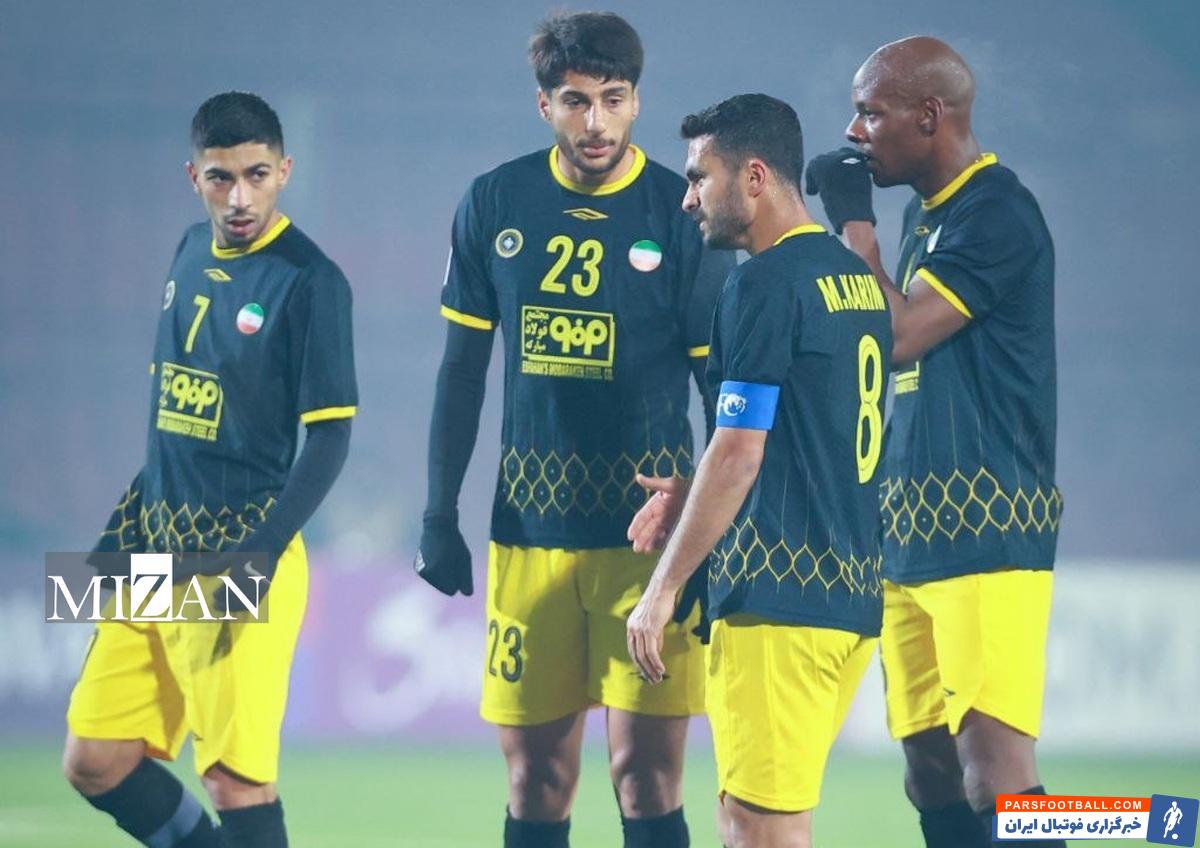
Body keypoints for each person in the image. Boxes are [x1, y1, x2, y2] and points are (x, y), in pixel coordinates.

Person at [413, 12, 731, 848]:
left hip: (648, 539)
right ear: (544, 105)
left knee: (647, 778)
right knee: (537, 780)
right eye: (575, 101)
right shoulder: (495, 201)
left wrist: (710, 527)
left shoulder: (682, 211)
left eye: (613, 99)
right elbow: (461, 372)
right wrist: (439, 513)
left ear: (637, 102)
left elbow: (719, 386)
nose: (595, 122)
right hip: (530, 533)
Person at [61, 91, 357, 848]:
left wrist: (260, 553)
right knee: (94, 760)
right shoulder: (189, 250)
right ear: (193, 176)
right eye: (221, 178)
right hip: (150, 542)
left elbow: (329, 440)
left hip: (237, 548)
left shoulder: (312, 281)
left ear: (285, 171)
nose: (239, 198)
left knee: (234, 779)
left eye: (257, 175)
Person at [805, 35, 1062, 848]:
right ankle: (1151, 823)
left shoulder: (998, 212)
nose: (854, 132)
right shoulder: (928, 216)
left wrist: (855, 226)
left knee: (997, 776)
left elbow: (901, 334)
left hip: (986, 523)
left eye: (870, 113)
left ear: (929, 114)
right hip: (911, 529)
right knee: (929, 770)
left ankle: (1144, 824)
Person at [627, 93, 892, 848]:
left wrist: (662, 590)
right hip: (846, 594)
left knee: (760, 830)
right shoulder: (852, 279)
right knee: (758, 820)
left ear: (752, 176)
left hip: (779, 600)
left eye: (698, 178)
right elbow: (808, 436)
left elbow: (740, 450)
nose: (687, 199)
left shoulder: (764, 283)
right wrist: (695, 492)